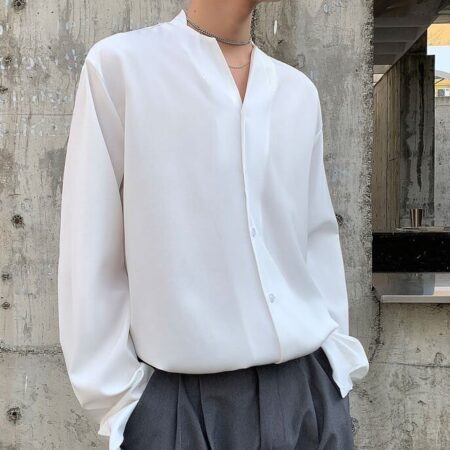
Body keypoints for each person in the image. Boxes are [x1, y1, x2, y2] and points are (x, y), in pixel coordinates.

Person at [57, 1, 370, 449]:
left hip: (309, 396)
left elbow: (316, 237)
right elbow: (89, 246)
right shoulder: (121, 68)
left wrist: (335, 362)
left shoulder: (297, 92)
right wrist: (124, 401)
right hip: (180, 407)